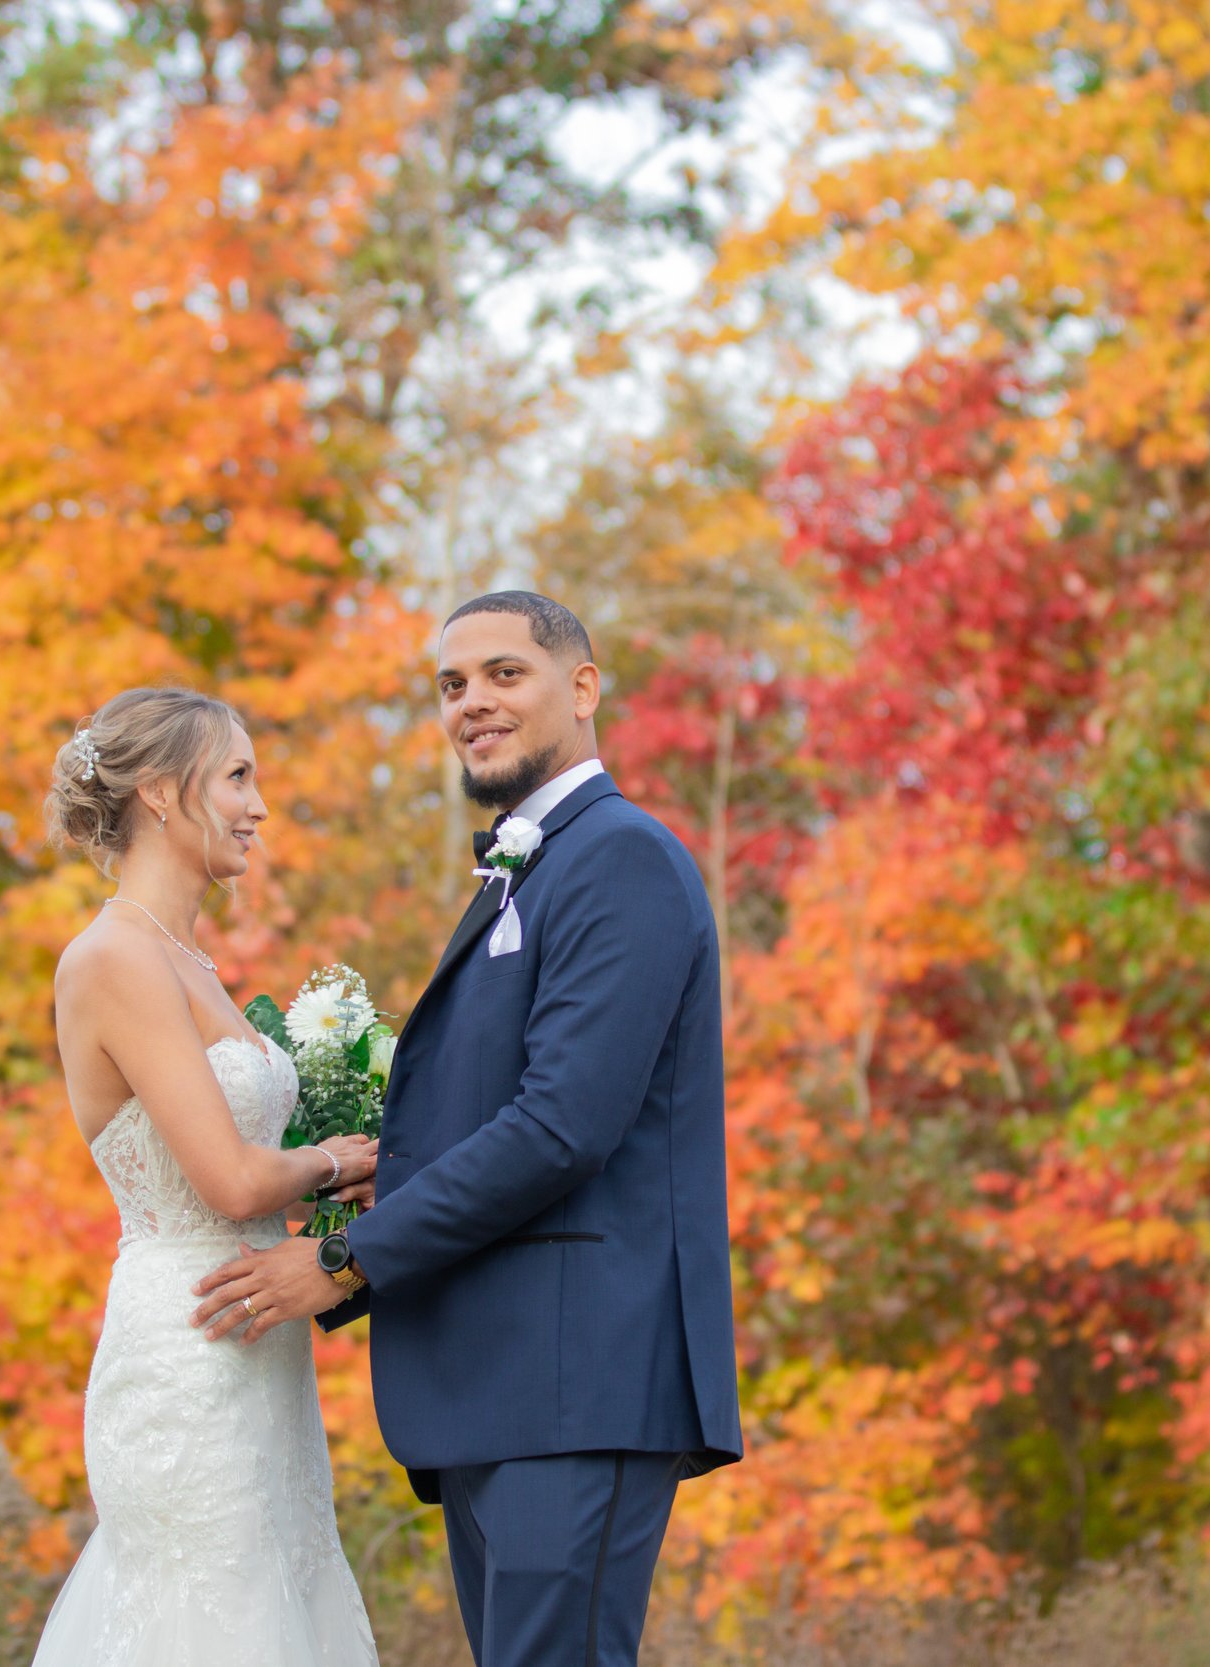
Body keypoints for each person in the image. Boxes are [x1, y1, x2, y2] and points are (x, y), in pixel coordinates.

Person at [195, 592, 742, 1666]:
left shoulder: (620, 857)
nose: (471, 702)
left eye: (504, 673)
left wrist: (349, 1259)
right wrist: (380, 1175)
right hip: (504, 1387)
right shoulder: (526, 867)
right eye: (452, 684)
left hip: (575, 1382)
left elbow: (559, 1129)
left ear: (582, 688)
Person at [31, 687, 380, 1667]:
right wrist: (339, 1158)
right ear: (157, 791)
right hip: (190, 1341)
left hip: (259, 1342)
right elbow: (228, 1180)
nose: (258, 803)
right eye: (236, 776)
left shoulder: (191, 961)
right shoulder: (114, 958)